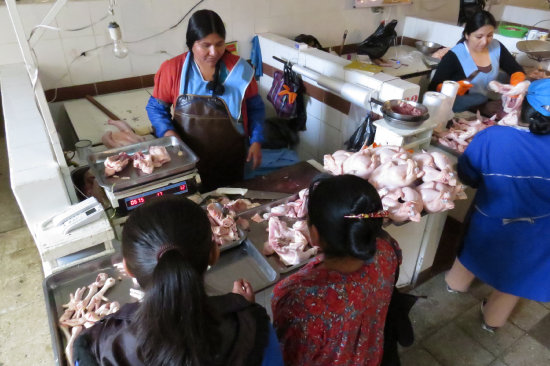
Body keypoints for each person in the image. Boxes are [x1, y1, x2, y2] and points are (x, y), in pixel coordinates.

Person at [72, 196, 283, 365]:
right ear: (214, 254)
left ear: (127, 268)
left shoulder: (98, 347)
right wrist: (240, 309)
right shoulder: (252, 329)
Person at [445, 79, 550, 333]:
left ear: (523, 105)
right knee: (516, 278)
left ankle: (455, 286)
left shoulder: (493, 137)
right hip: (540, 227)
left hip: (491, 217)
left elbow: (468, 176)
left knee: (473, 253)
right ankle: (491, 322)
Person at [271, 174, 401, 366]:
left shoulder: (297, 298)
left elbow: (286, 359)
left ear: (314, 235)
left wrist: (249, 317)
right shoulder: (388, 251)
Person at [146, 9, 265, 191]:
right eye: (205, 45)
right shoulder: (172, 70)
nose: (214, 52)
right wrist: (169, 135)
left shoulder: (240, 70)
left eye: (219, 44)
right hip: (187, 158)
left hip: (232, 159)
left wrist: (256, 140)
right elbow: (156, 108)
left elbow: (255, 108)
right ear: (191, 44)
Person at [429, 11, 525, 113]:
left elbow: (516, 69)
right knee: (479, 99)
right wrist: (452, 88)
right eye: (479, 37)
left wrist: (516, 87)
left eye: (489, 35)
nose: (485, 42)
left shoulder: (496, 47)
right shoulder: (455, 55)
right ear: (467, 35)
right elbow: (432, 88)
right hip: (456, 109)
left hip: (482, 104)